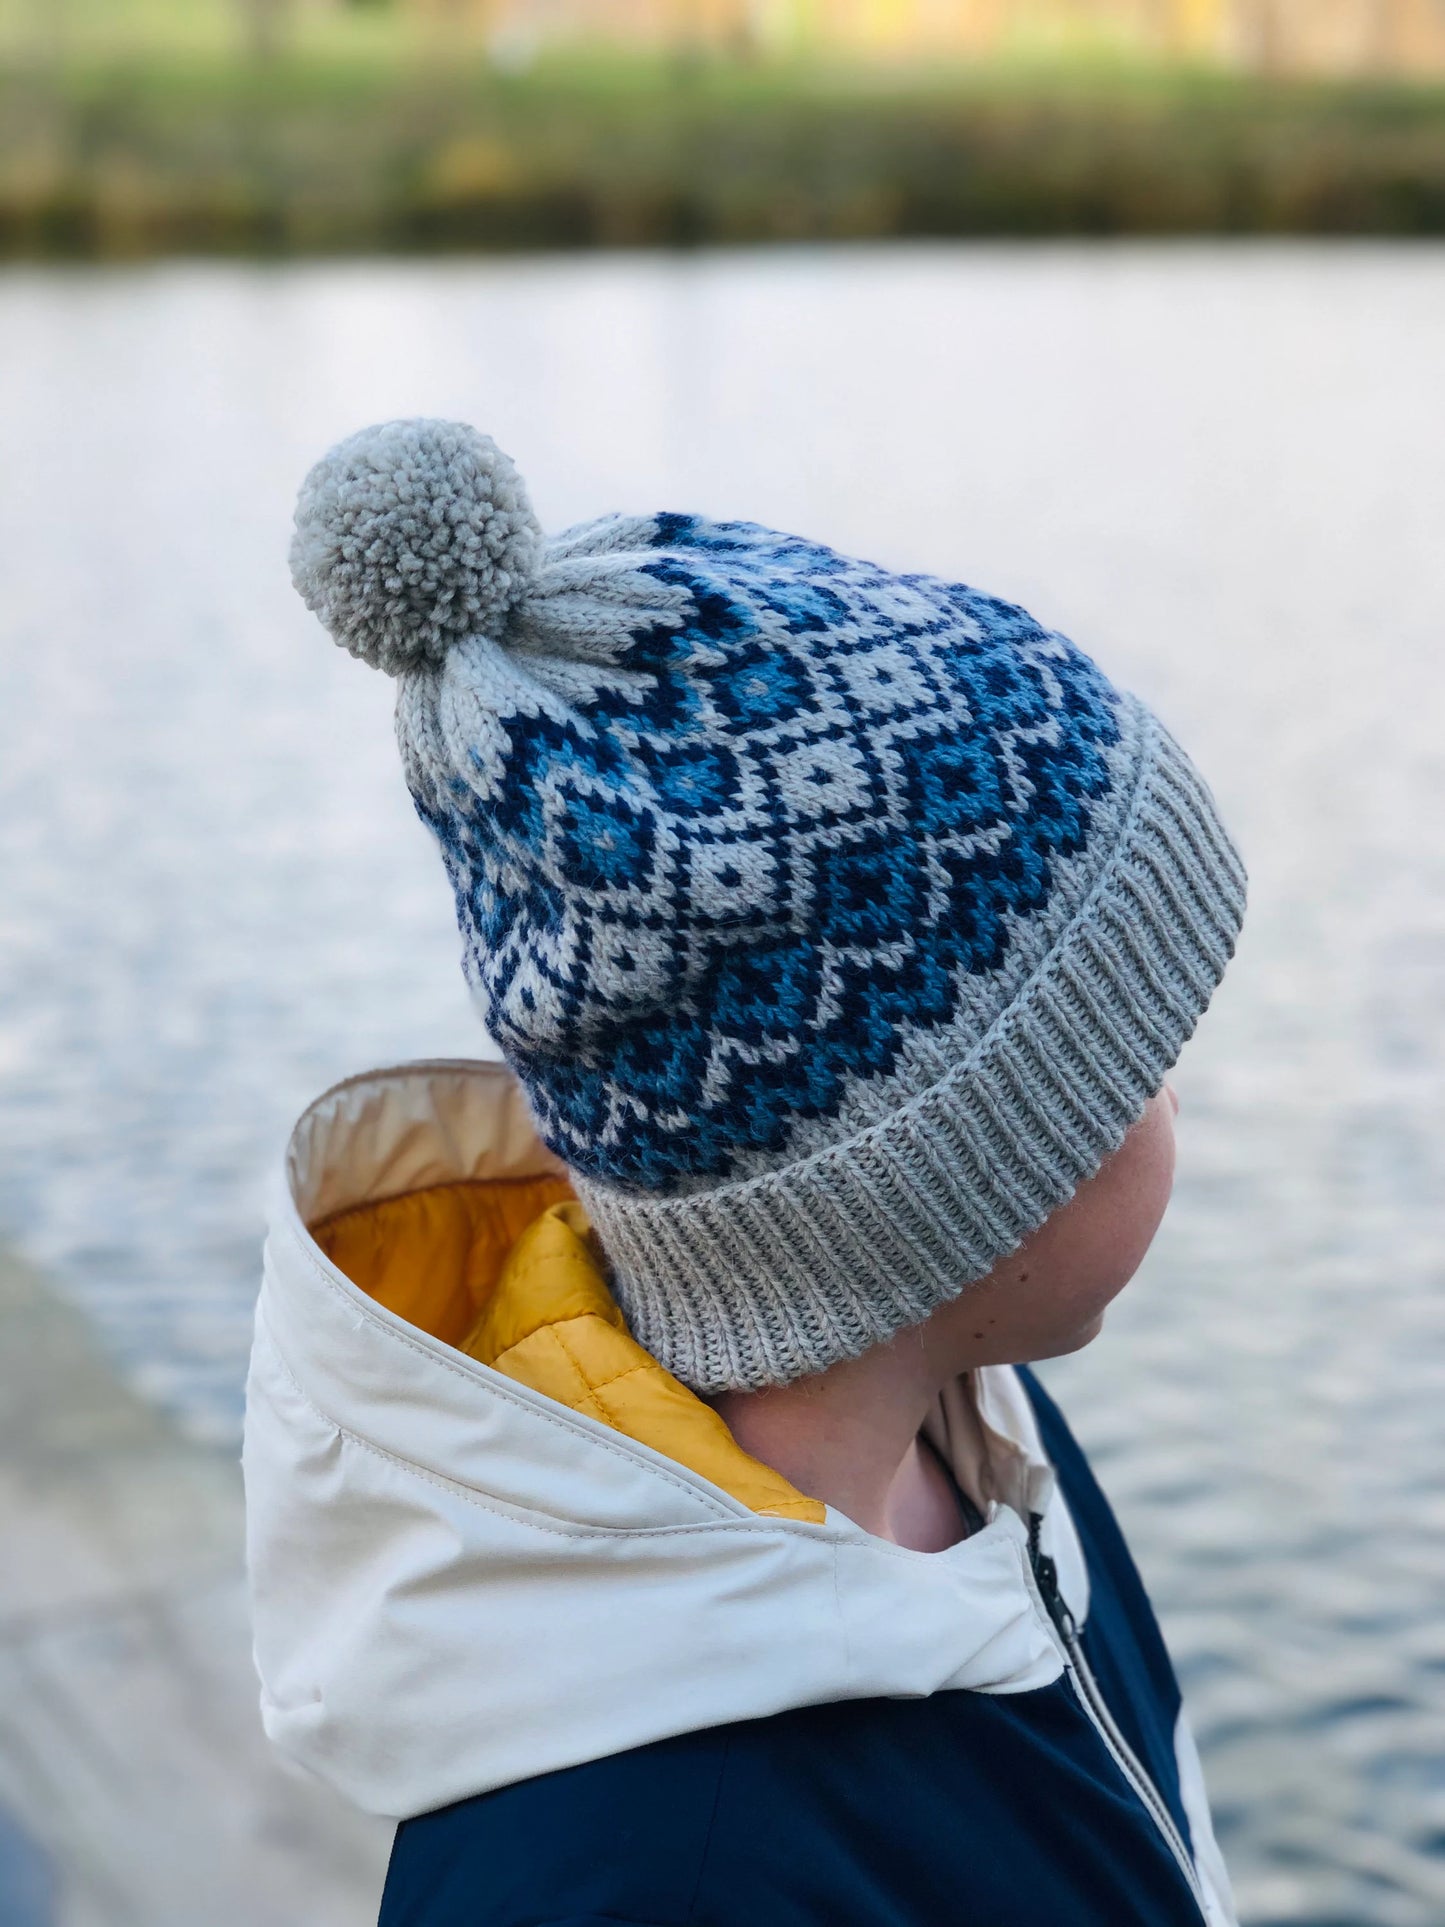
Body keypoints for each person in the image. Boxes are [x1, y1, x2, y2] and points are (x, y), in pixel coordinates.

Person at [243, 418, 1246, 1927]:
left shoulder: (979, 1446)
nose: (1175, 1093)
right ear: (946, 1180)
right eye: (1131, 1054)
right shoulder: (651, 1877)